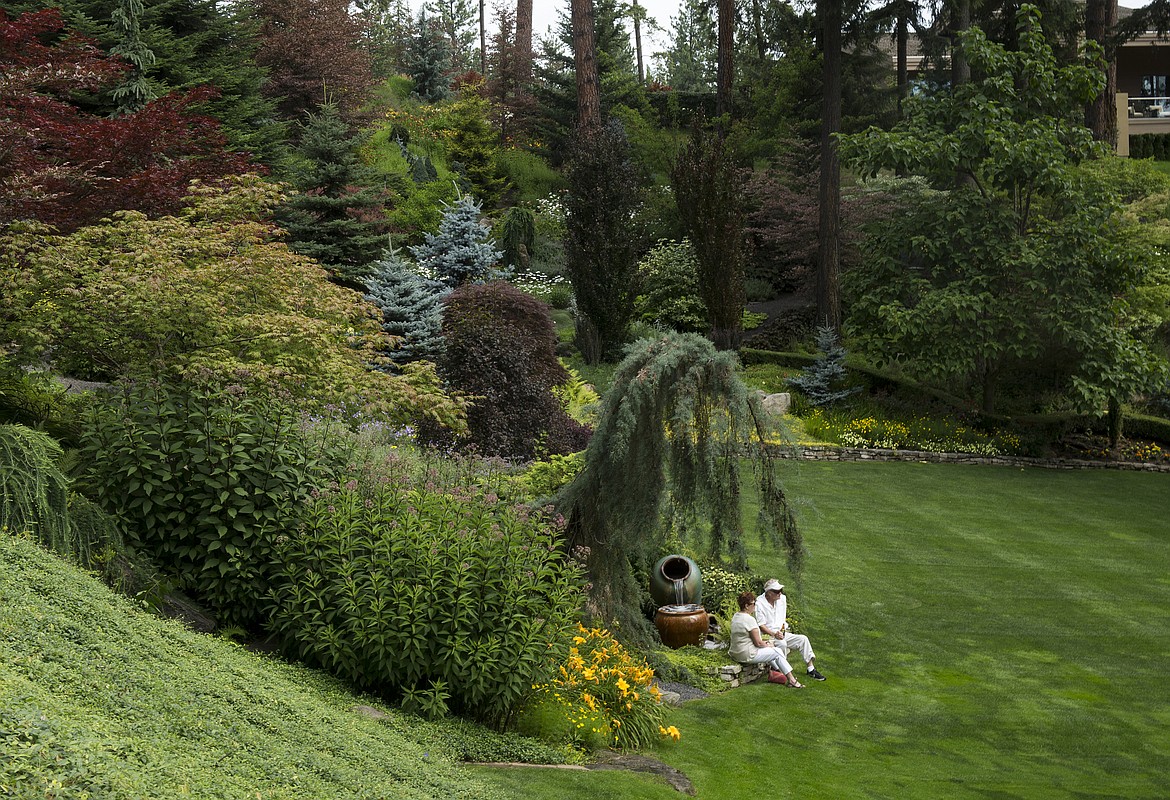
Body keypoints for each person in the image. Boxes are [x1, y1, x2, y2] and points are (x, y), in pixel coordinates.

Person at [755, 578, 826, 681]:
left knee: (803, 639)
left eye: (780, 591)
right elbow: (761, 625)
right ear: (769, 593)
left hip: (781, 634)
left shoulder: (782, 599)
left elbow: (781, 619)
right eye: (776, 591)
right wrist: (774, 634)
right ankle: (782, 671)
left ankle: (811, 669)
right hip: (768, 636)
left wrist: (782, 631)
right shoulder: (759, 603)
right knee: (782, 644)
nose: (779, 593)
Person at [729, 590, 803, 688]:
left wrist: (766, 644)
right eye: (753, 604)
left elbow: (750, 639)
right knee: (776, 651)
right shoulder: (749, 620)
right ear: (746, 606)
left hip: (735, 653)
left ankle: (779, 673)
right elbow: (758, 643)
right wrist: (769, 644)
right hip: (746, 654)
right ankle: (792, 680)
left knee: (771, 651)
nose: (755, 607)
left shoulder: (736, 616)